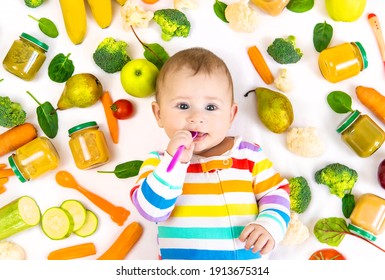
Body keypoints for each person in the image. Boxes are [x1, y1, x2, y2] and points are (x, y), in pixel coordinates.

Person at [130, 47, 290, 260]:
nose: (197, 117)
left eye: (211, 107)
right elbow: (152, 211)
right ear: (159, 114)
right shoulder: (159, 163)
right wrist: (174, 163)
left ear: (231, 115)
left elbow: (275, 193)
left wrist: (269, 226)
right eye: (183, 105)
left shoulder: (249, 156)